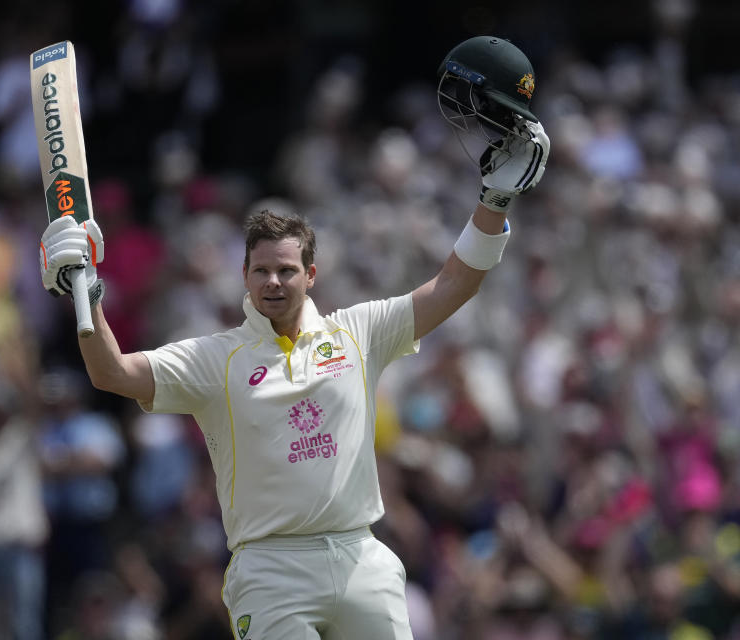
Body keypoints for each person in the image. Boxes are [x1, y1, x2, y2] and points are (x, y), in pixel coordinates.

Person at [38, 35, 550, 639]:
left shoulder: (357, 331)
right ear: (244, 277)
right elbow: (111, 374)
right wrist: (84, 295)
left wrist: (493, 203)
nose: (274, 282)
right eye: (261, 271)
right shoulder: (216, 358)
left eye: (287, 270)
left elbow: (454, 285)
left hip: (362, 557)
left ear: (311, 274)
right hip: (270, 568)